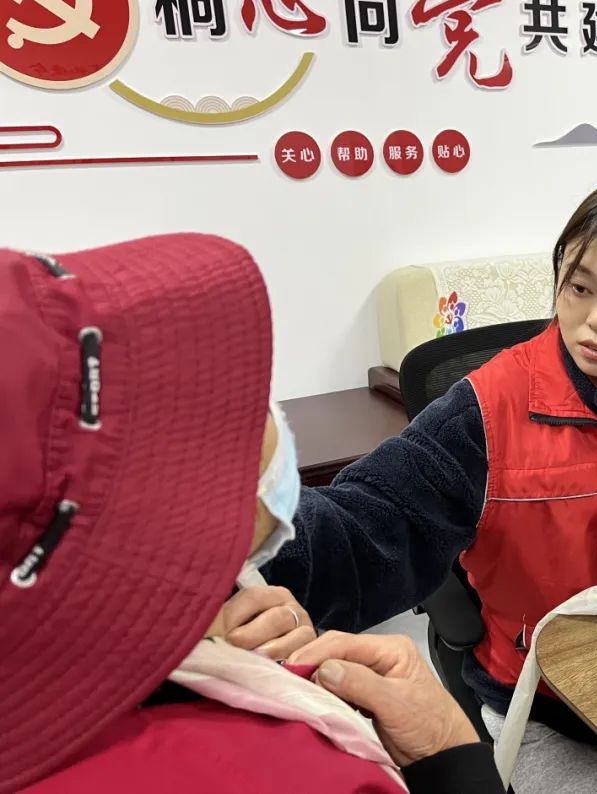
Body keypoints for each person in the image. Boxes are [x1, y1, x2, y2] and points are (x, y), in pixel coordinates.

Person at [265, 154, 597, 793]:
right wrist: (249, 541)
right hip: (549, 703)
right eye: (578, 287)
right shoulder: (488, 409)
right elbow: (369, 525)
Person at [0, 236, 502, 794]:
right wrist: (450, 755)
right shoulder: (301, 772)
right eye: (234, 403)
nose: (266, 414)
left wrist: (194, 642)